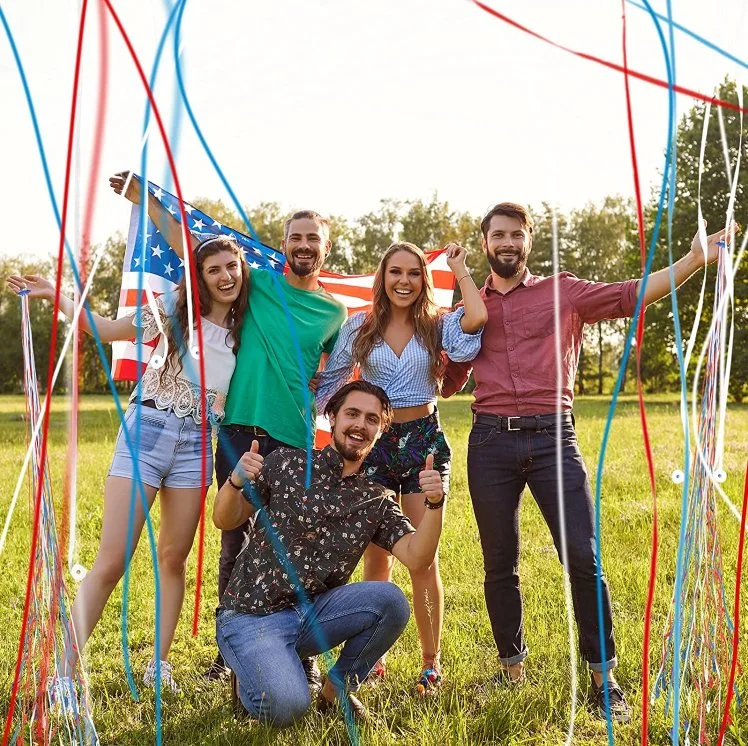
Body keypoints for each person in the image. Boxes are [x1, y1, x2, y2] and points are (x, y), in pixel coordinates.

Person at [441, 202, 730, 723]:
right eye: (498, 235)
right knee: (498, 563)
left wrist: (692, 262)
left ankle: (604, 679)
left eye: (516, 235)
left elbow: (629, 295)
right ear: (484, 243)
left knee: (582, 556)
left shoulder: (563, 291)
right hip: (490, 442)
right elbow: (446, 377)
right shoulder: (465, 305)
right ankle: (509, 671)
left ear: (528, 241)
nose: (507, 243)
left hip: (554, 437)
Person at [109, 173, 347, 685]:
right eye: (296, 237)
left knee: (284, 542)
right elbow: (191, 247)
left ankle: (293, 646)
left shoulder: (336, 311)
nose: (303, 246)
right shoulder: (256, 282)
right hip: (238, 426)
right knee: (233, 535)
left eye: (313, 239)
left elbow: (335, 373)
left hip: (294, 435)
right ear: (283, 246)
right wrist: (144, 198)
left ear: (325, 249)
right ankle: (230, 650)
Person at [6, 235, 249, 693]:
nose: (225, 276)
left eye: (231, 267)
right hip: (148, 432)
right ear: (200, 277)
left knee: (173, 557)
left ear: (242, 269)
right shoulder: (176, 308)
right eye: (214, 269)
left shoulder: (247, 326)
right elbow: (104, 329)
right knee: (113, 560)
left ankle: (158, 664)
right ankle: (62, 670)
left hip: (198, 444)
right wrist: (56, 296)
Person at [212, 380, 447, 726]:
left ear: (380, 432)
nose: (360, 425)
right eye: (352, 414)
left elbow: (417, 557)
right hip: (250, 616)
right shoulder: (286, 463)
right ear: (332, 417)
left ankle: (334, 692)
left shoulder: (376, 499)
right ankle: (250, 675)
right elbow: (224, 518)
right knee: (288, 708)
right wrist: (234, 481)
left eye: (371, 419)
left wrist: (434, 503)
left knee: (391, 602)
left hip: (311, 616)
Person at [314, 241, 487, 693]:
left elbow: (477, 321)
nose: (404, 281)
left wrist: (460, 270)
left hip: (422, 443)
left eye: (413, 273)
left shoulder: (437, 326)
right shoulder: (360, 327)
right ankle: (374, 658)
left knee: (421, 557)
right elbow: (333, 382)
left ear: (423, 280)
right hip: (372, 446)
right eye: (395, 272)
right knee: (377, 557)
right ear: (383, 277)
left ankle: (431, 664)